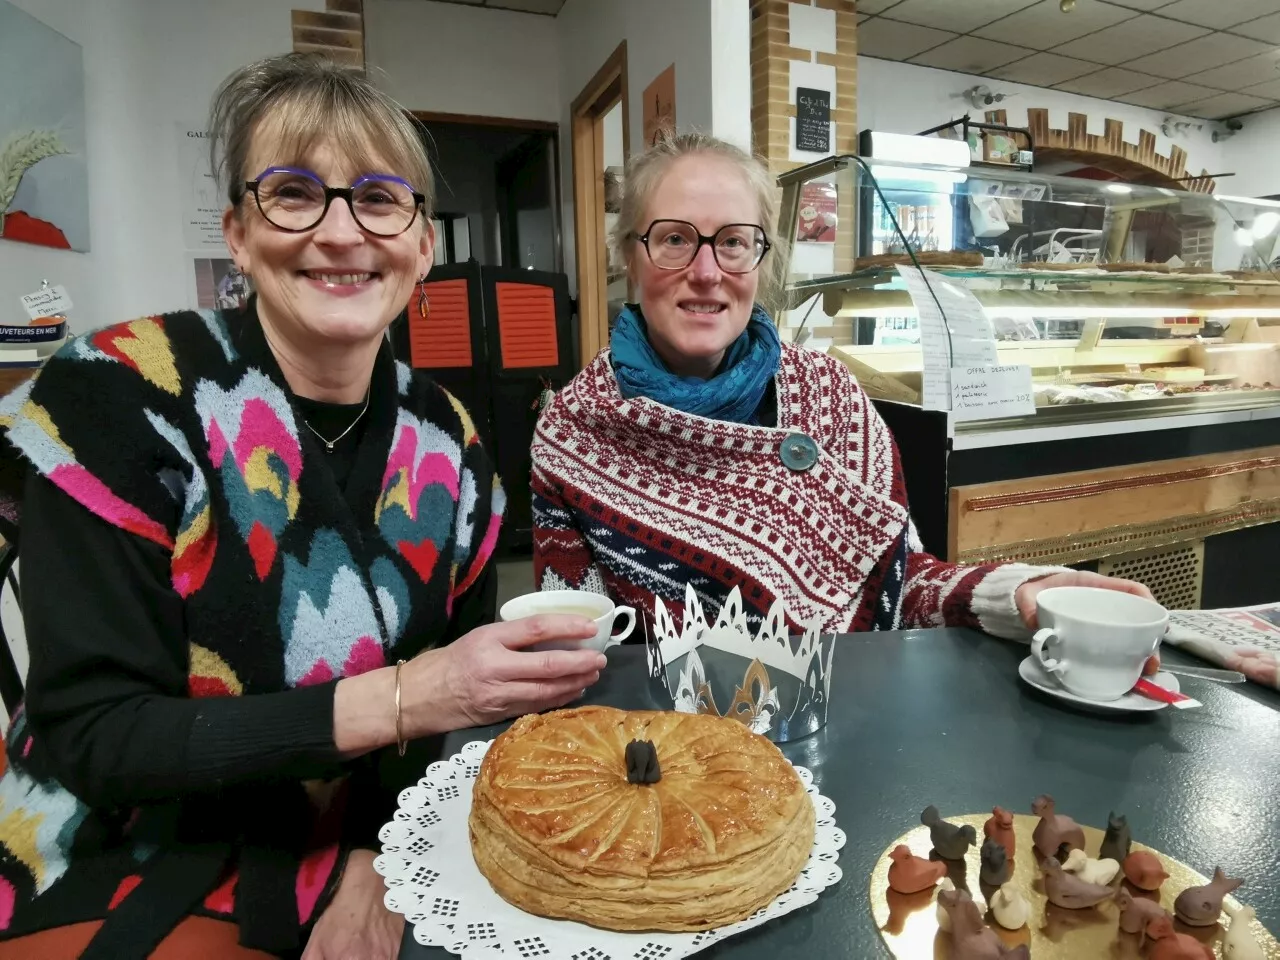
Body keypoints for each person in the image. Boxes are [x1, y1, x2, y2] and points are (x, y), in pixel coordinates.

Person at [0, 53, 604, 959]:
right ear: (239, 232)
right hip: (129, 842)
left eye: (379, 198)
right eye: (294, 193)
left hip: (371, 827)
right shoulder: (120, 397)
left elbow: (453, 712)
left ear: (423, 243)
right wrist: (401, 696)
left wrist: (378, 858)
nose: (341, 232)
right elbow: (95, 735)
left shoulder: (450, 440)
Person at [531, 132, 1159, 646]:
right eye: (674, 239)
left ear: (760, 260)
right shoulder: (571, 435)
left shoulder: (828, 394)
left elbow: (905, 584)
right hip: (676, 762)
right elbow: (579, 647)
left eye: (732, 242)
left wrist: (1015, 591)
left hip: (845, 732)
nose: (705, 272)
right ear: (629, 257)